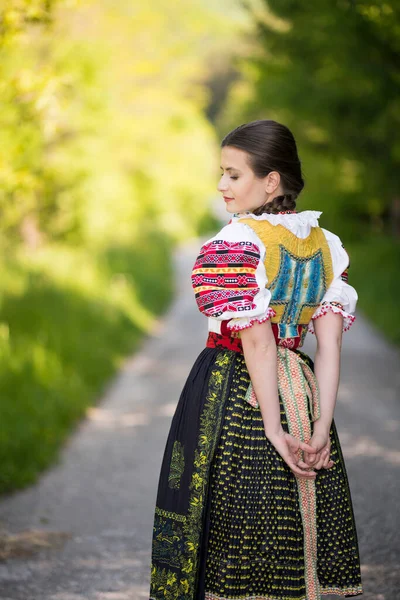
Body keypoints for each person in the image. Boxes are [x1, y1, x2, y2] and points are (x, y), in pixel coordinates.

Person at [149, 119, 363, 600]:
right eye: (222, 174)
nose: (222, 185)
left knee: (232, 521)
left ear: (270, 181)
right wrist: (322, 423)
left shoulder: (237, 243)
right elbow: (328, 346)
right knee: (289, 519)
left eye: (233, 174)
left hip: (235, 390)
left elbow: (259, 344)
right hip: (302, 391)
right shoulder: (324, 245)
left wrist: (271, 427)